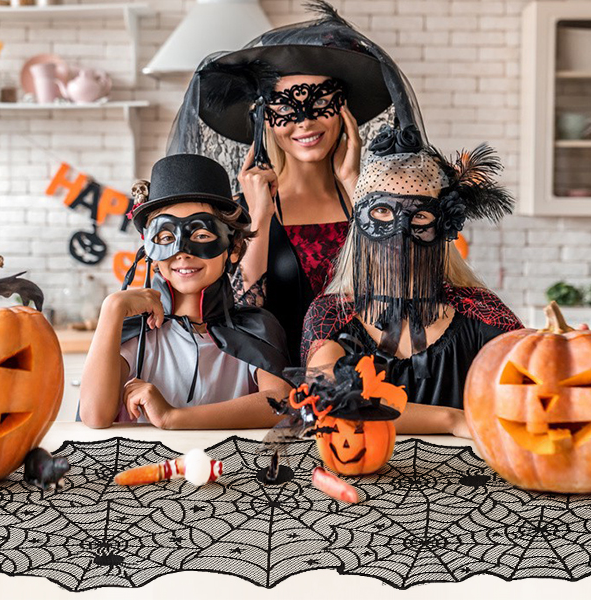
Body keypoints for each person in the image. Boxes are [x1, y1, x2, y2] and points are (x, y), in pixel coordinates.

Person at [167, 1, 421, 364]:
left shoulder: (372, 201)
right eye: (286, 109)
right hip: (276, 382)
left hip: (372, 379)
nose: (304, 122)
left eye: (321, 103)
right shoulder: (242, 209)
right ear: (264, 120)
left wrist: (356, 184)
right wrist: (259, 216)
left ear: (345, 112)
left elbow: (409, 284)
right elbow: (237, 317)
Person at [302, 126, 522, 437]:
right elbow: (330, 402)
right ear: (359, 224)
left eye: (418, 215)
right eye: (381, 211)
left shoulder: (479, 312)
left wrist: (576, 346)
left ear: (442, 227)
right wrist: (453, 420)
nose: (399, 232)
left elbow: (535, 377)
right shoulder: (332, 315)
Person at [79, 154, 291, 429]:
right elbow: (95, 416)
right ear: (152, 253)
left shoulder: (257, 329)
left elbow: (281, 402)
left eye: (202, 235)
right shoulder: (138, 335)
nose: (182, 252)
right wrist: (112, 309)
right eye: (166, 237)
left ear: (234, 247)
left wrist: (172, 417)